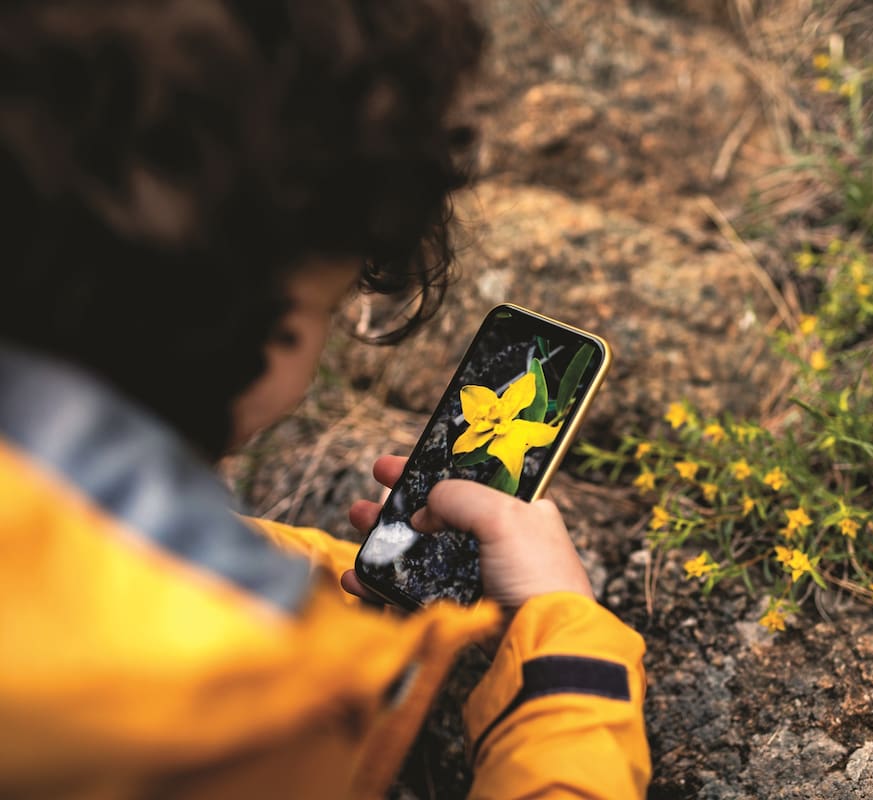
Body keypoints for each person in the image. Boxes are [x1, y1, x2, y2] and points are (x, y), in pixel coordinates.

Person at [0, 0, 650, 797]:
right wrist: (565, 656)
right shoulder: (211, 721)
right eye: (328, 307)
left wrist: (351, 582)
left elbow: (92, 548)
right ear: (235, 315)